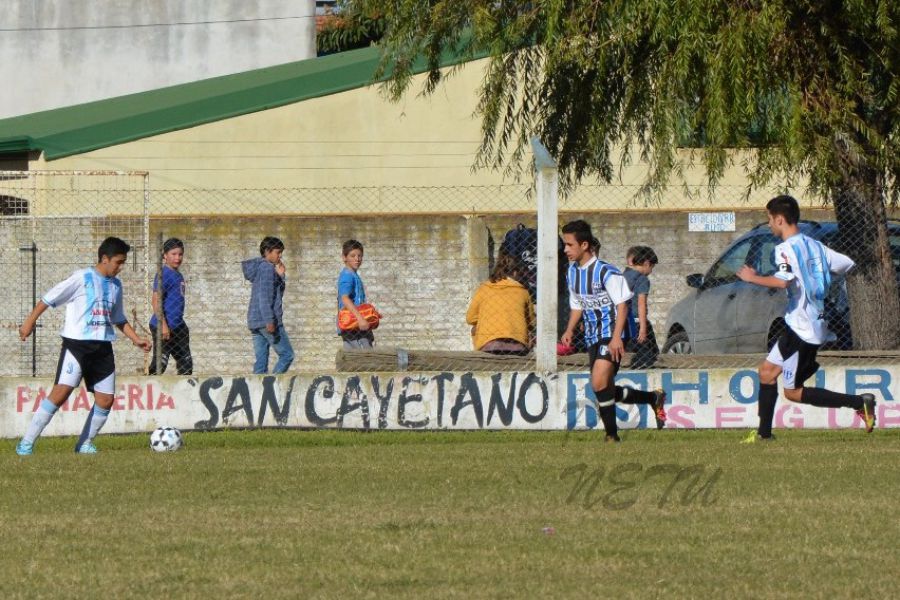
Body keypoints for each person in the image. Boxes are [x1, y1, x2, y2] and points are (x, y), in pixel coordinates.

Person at [737, 195, 876, 441]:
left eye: (769, 219)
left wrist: (752, 278)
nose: (769, 224)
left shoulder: (785, 249)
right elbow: (845, 264)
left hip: (803, 329)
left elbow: (783, 281)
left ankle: (859, 402)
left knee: (792, 392)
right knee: (767, 372)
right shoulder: (815, 245)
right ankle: (764, 434)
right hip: (806, 322)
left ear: (779, 220)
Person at [15, 237, 152, 455]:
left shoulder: (116, 285)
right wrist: (29, 322)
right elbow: (48, 299)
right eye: (118, 262)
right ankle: (26, 444)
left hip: (103, 348)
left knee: (106, 400)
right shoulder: (81, 278)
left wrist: (136, 339)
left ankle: (84, 444)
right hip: (76, 346)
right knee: (61, 393)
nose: (121, 267)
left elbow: (118, 318)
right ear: (105, 259)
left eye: (123, 262)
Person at [560, 220, 667, 440]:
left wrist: (617, 338)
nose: (565, 249)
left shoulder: (606, 272)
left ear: (584, 245)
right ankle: (652, 399)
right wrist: (570, 328)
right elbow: (577, 304)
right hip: (592, 334)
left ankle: (611, 437)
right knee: (604, 388)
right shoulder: (572, 272)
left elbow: (622, 305)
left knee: (598, 381)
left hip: (612, 332)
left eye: (569, 245)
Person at [466, 252, 535, 355]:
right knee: (530, 332)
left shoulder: (484, 289)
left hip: (488, 345)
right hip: (517, 345)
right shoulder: (522, 292)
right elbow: (532, 322)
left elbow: (470, 318)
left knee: (474, 328)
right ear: (516, 272)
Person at [242, 236, 294, 374]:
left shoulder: (260, 268)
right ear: (267, 252)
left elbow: (271, 292)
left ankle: (258, 394)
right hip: (267, 321)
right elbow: (264, 298)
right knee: (287, 355)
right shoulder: (267, 269)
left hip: (255, 321)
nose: (280, 256)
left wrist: (280, 276)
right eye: (278, 252)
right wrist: (270, 321)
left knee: (261, 363)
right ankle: (271, 386)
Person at [148, 237, 193, 375]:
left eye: (180, 254)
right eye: (173, 254)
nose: (177, 258)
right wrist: (163, 325)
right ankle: (150, 388)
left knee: (186, 364)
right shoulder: (163, 274)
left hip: (178, 327)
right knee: (160, 363)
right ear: (165, 255)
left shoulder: (177, 274)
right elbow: (156, 300)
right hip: (163, 326)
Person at [623, 246, 660, 369]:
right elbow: (641, 304)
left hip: (623, 323)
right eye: (652, 267)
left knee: (628, 356)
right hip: (638, 323)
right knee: (652, 357)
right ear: (647, 263)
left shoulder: (622, 276)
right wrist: (643, 329)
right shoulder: (642, 279)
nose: (651, 271)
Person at [337, 239, 376, 350]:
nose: (357, 259)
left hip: (356, 323)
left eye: (359, 256)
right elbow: (344, 298)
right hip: (351, 323)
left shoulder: (353, 274)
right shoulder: (347, 276)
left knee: (361, 354)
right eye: (352, 256)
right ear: (344, 257)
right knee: (361, 357)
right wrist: (360, 318)